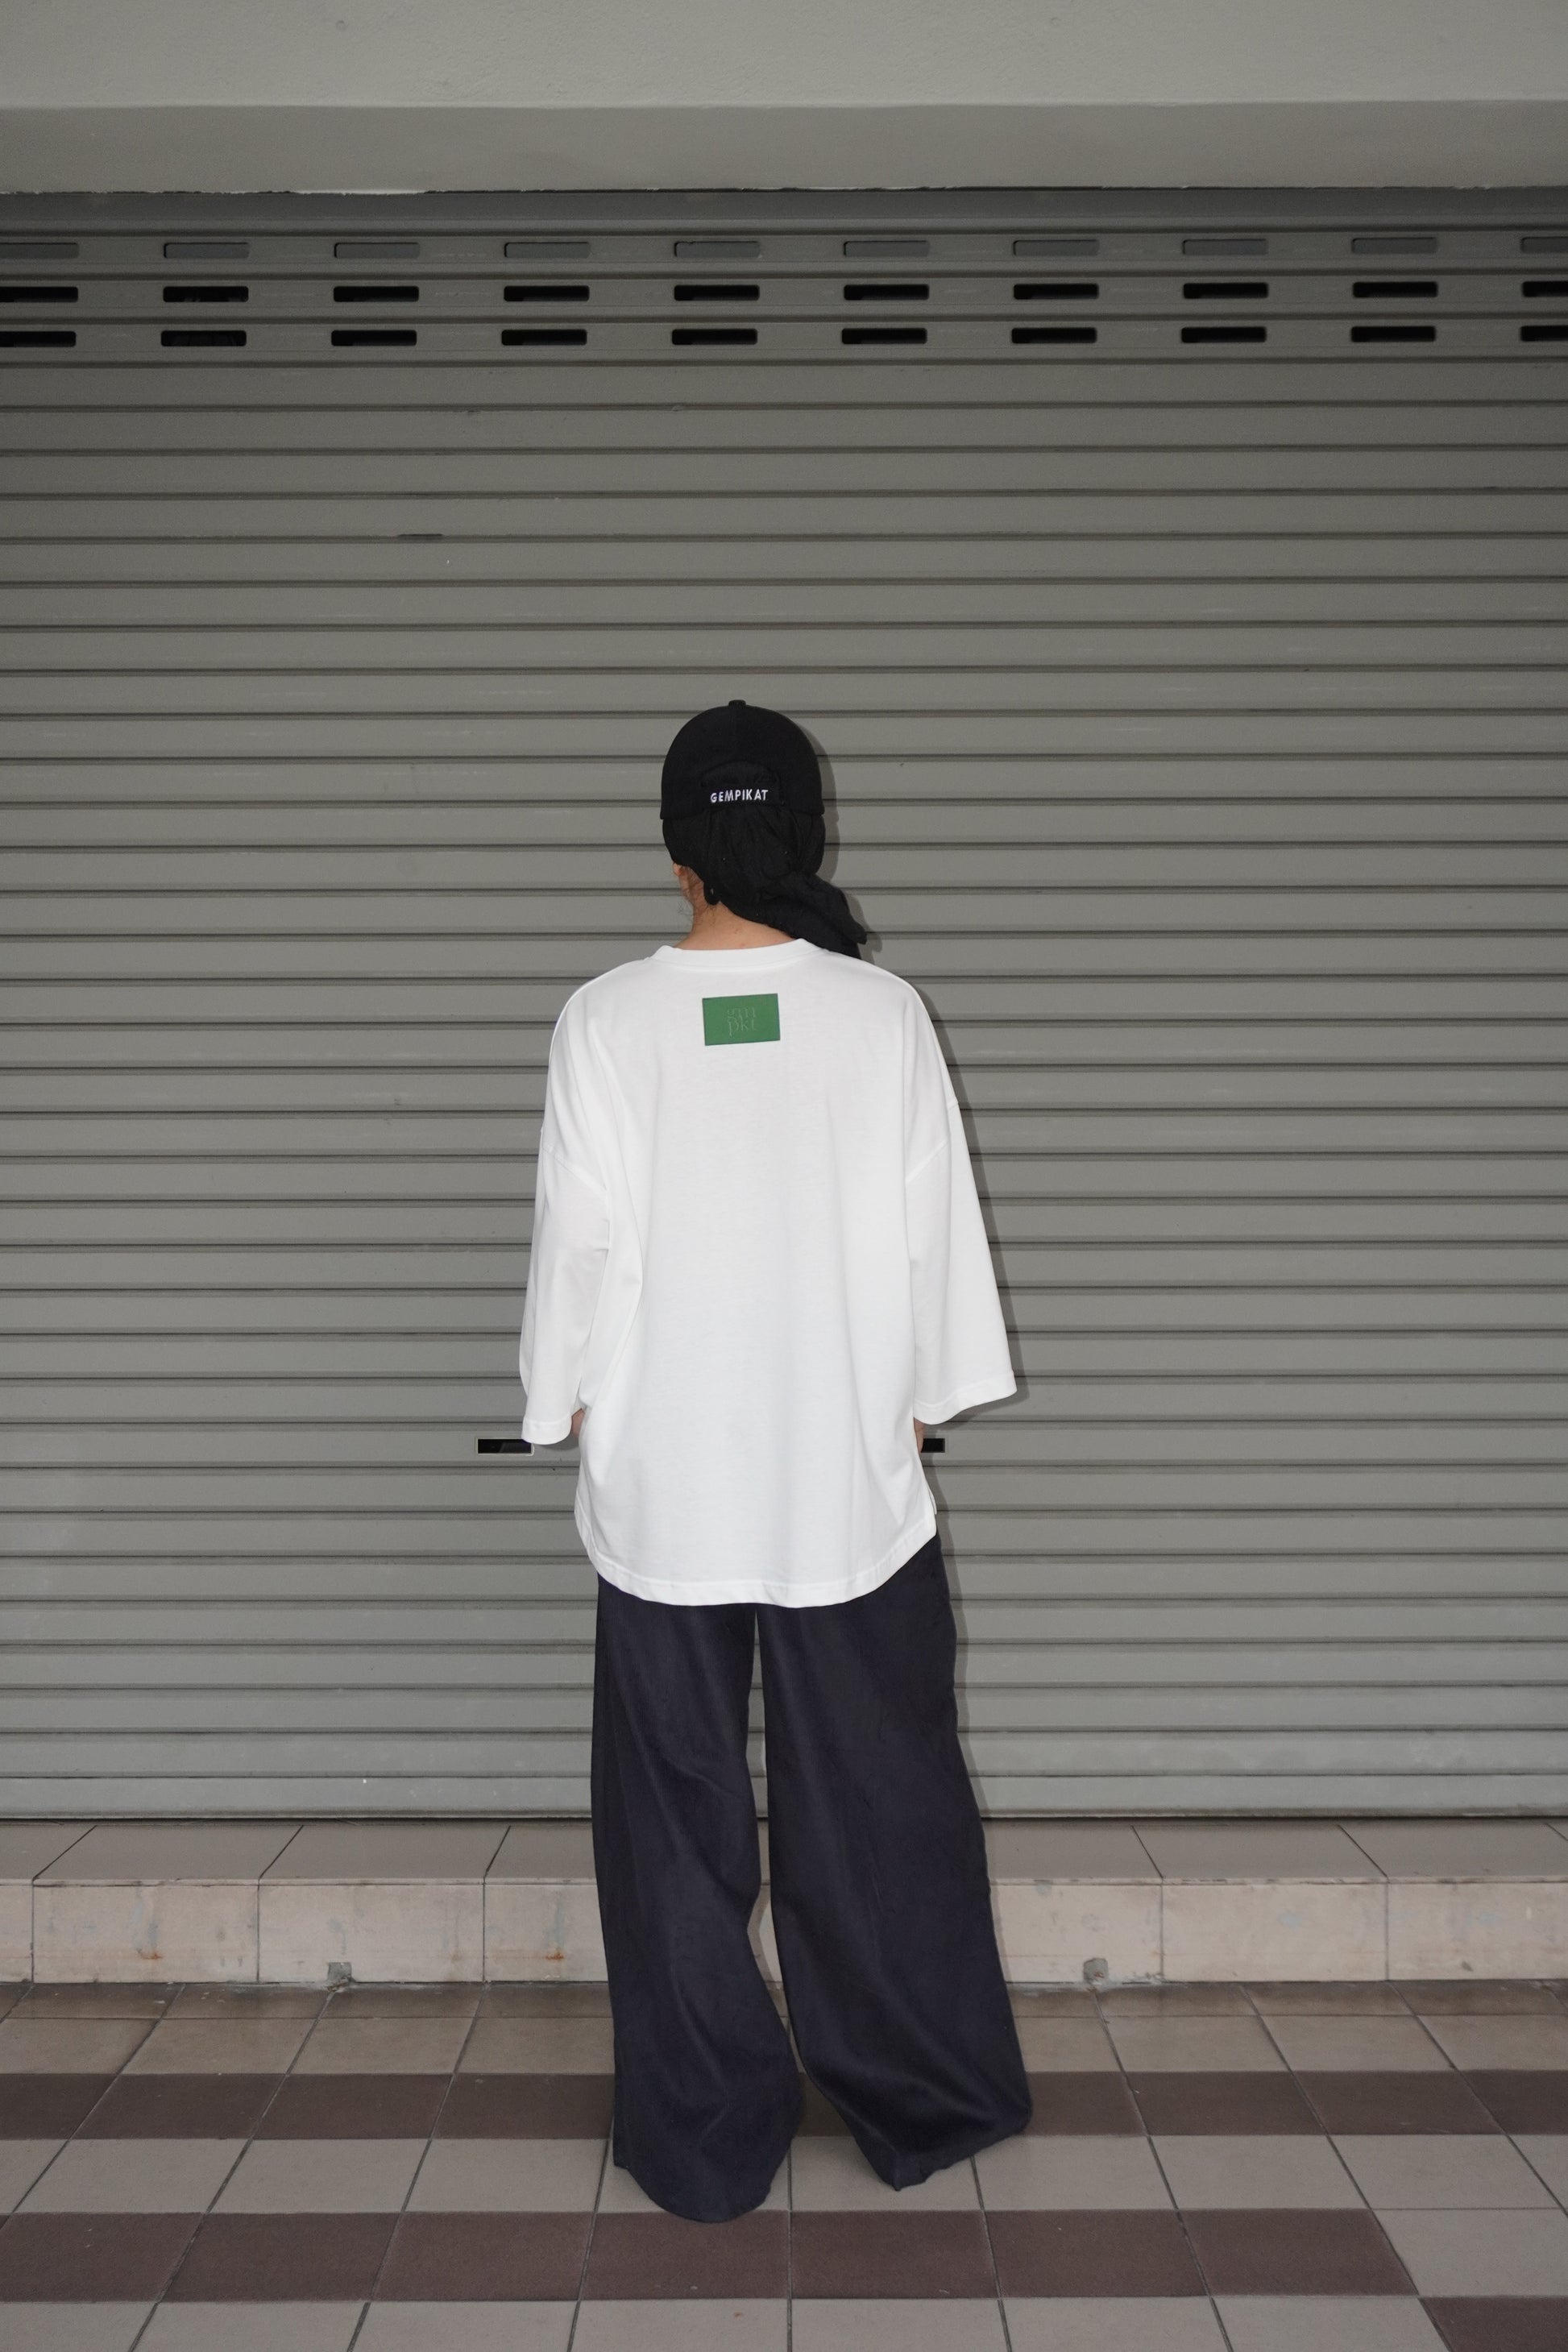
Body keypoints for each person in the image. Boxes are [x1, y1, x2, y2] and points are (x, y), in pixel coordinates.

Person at [518, 698, 1031, 2222]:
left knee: (670, 1827)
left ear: (676, 852)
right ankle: (923, 2097)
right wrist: (923, 1396)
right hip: (844, 1481)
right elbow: (935, 1232)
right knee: (880, 1799)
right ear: (804, 832)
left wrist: (560, 1400)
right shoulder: (880, 1015)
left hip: (664, 1485)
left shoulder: (605, 1019)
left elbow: (576, 1245)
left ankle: (698, 2134)